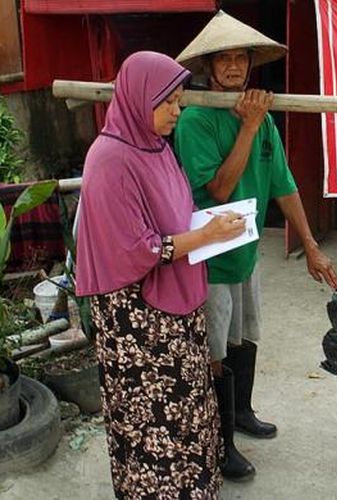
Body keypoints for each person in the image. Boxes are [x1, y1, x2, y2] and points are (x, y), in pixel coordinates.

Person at [173, 11, 337, 480]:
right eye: (222, 59)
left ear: (250, 64)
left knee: (246, 334)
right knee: (216, 349)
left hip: (246, 252)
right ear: (208, 66)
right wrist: (246, 125)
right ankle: (220, 444)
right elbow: (221, 189)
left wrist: (310, 245)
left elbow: (284, 185)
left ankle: (241, 413)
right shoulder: (197, 120)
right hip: (210, 256)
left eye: (240, 58)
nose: (232, 67)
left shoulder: (263, 121)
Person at [75, 51, 248, 498]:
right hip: (138, 321)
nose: (176, 110)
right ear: (137, 98)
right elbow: (140, 249)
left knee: (188, 411)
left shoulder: (157, 149)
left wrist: (213, 230)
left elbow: (177, 219)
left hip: (176, 307)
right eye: (166, 101)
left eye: (178, 100)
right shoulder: (110, 158)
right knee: (152, 419)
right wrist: (206, 233)